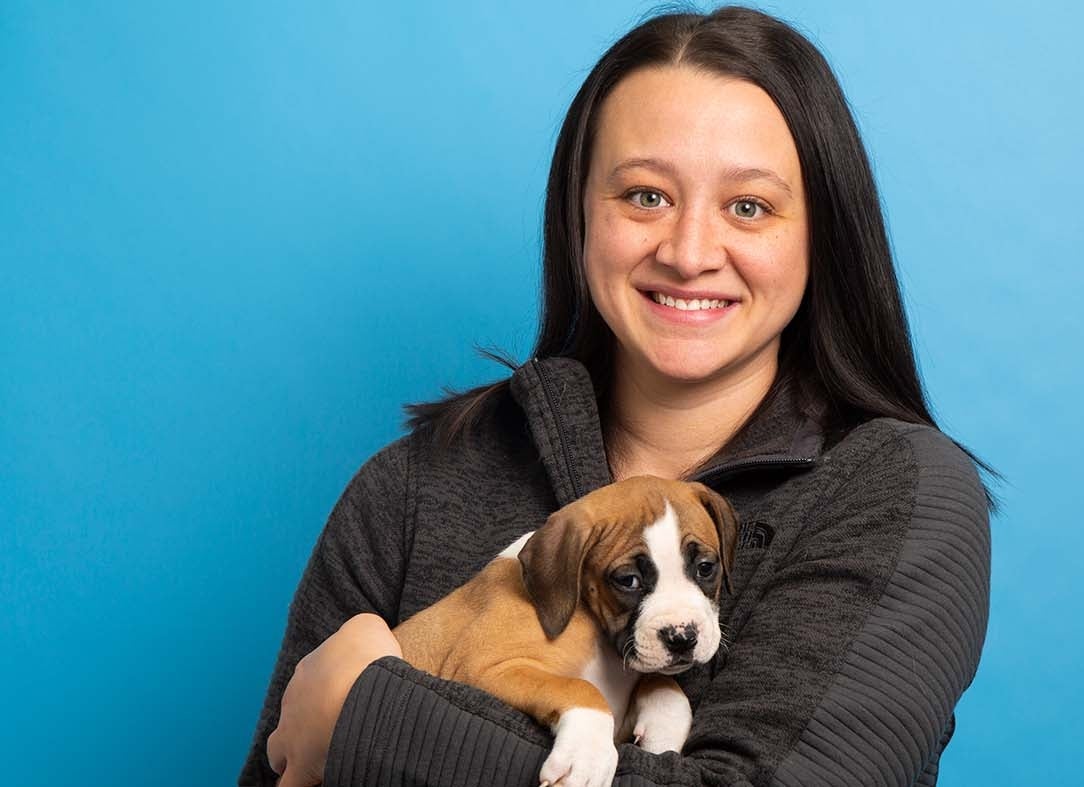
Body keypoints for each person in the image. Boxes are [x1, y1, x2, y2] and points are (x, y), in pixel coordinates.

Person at [240, 5, 999, 786]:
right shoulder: (410, 489)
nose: (690, 251)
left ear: (822, 235)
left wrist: (371, 717)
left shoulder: (896, 493)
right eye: (644, 196)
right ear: (578, 216)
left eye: (748, 205)